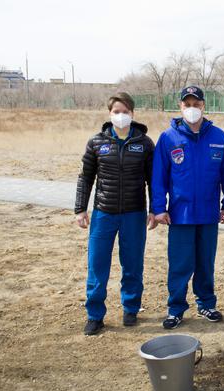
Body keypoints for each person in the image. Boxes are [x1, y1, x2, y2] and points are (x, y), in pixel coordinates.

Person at [152, 85, 224, 329]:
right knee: (180, 264)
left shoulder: (218, 137)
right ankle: (176, 308)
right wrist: (159, 208)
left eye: (196, 104)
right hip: (180, 215)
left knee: (205, 262)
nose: (192, 109)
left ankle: (207, 304)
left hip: (209, 214)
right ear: (180, 107)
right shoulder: (168, 138)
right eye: (187, 105)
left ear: (203, 106)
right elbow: (159, 177)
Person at [75, 92, 156, 335]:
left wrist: (155, 210)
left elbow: (153, 180)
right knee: (97, 265)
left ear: (132, 113)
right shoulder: (96, 142)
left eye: (125, 111)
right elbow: (85, 177)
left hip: (134, 213)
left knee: (132, 264)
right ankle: (95, 315)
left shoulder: (144, 143)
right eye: (116, 112)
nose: (121, 116)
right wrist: (80, 209)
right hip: (104, 213)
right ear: (109, 114)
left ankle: (131, 308)